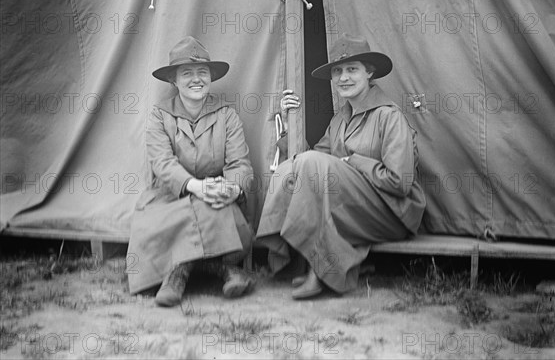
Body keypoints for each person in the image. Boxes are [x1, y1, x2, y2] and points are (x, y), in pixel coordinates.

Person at [256, 33, 426, 299]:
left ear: (369, 73)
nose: (343, 77)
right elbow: (309, 165)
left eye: (351, 70)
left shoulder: (390, 116)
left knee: (310, 165)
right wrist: (288, 131)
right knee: (290, 169)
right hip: (351, 210)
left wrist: (353, 162)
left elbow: (400, 182)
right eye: (337, 71)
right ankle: (307, 259)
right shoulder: (339, 121)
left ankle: (324, 268)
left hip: (392, 213)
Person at [127, 36, 254, 307]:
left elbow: (240, 164)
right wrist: (196, 187)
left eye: (202, 73)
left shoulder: (227, 115)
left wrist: (232, 189)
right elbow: (162, 162)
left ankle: (179, 270)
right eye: (187, 73)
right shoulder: (159, 116)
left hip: (217, 197)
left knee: (216, 205)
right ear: (174, 81)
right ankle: (216, 269)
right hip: (171, 198)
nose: (196, 79)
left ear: (210, 77)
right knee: (173, 213)